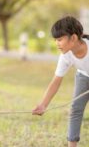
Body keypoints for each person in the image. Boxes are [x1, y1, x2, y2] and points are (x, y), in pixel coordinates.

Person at [32, 16, 89, 147]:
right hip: (83, 76)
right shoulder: (66, 55)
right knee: (75, 109)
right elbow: (56, 81)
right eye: (55, 40)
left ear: (73, 38)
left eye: (59, 39)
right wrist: (43, 105)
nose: (57, 43)